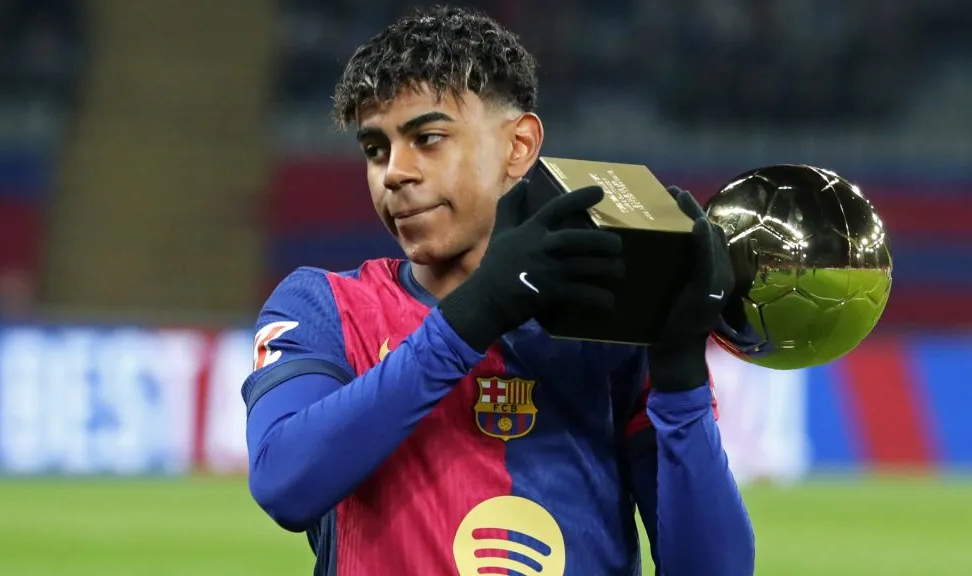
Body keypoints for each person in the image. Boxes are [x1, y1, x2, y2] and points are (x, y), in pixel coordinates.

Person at [243, 6, 755, 575]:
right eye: (375, 149)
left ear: (520, 145)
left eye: (428, 138)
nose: (394, 173)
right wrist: (476, 313)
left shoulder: (610, 327)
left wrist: (681, 375)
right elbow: (283, 482)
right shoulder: (324, 307)